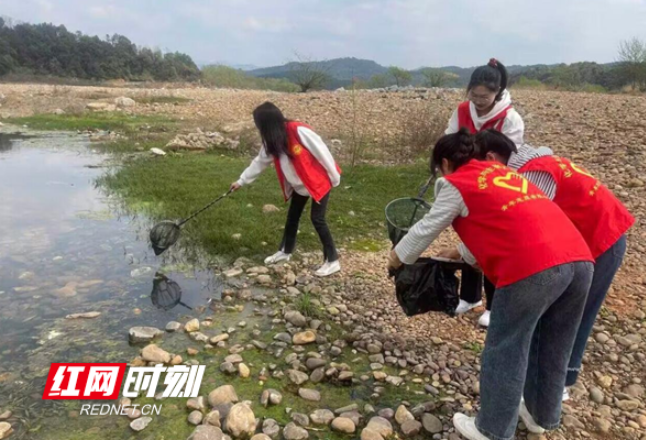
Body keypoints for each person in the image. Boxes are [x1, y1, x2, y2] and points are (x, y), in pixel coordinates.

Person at [387, 129, 594, 440]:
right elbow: (506, 222)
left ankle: (493, 429)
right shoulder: (501, 173)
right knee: (553, 343)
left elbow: (425, 228)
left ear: (445, 163)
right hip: (579, 259)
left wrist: (396, 258)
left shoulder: (456, 183)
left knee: (506, 346)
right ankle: (542, 416)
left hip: (533, 265)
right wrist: (462, 254)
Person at [474, 129, 635, 398]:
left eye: (480, 169)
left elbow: (530, 224)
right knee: (558, 310)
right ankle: (543, 377)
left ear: (491, 157)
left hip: (603, 239)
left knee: (576, 313)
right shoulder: (528, 162)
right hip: (584, 237)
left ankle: (561, 383)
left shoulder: (532, 173)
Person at [444, 58, 525, 325]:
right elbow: (449, 139)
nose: (478, 100)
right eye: (474, 95)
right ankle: (469, 296)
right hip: (467, 183)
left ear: (498, 92)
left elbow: (510, 158)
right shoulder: (462, 110)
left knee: (490, 242)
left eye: (485, 96)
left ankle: (492, 303)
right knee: (468, 233)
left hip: (495, 188)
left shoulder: (510, 118)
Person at [230, 102, 341, 277]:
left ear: (267, 123)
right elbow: (259, 162)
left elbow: (322, 151)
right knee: (292, 218)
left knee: (317, 219)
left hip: (318, 181)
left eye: (259, 124)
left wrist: (334, 176)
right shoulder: (272, 140)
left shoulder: (298, 131)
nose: (258, 129)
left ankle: (333, 261)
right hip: (299, 185)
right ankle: (285, 252)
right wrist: (241, 181)